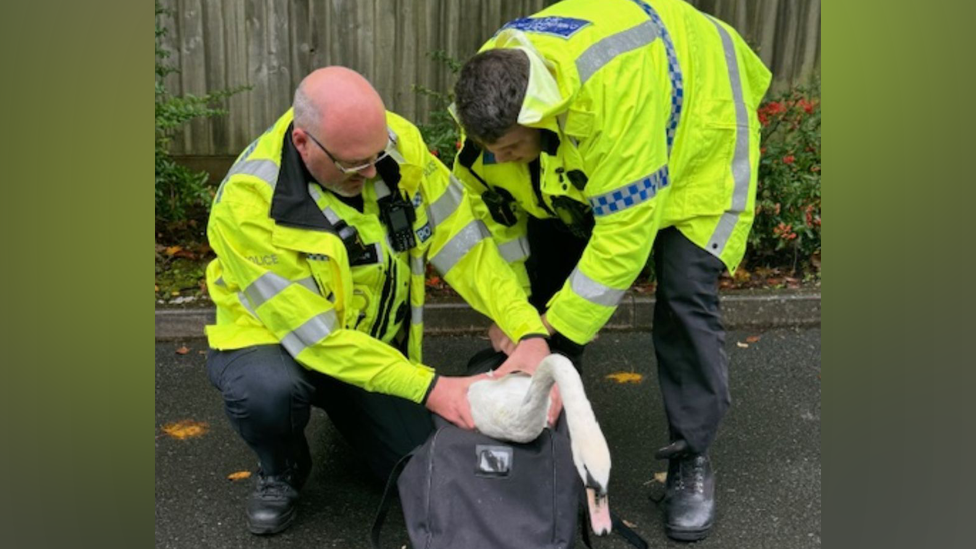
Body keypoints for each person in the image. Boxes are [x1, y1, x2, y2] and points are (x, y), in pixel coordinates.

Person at [450, 0, 771, 541]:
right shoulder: (492, 92)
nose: (499, 158)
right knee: (547, 249)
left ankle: (690, 459)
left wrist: (546, 329)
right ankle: (540, 407)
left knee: (684, 293)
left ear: (538, 117)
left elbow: (624, 238)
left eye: (508, 147)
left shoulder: (615, 104)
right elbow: (497, 211)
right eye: (491, 148)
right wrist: (522, 315)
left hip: (699, 129)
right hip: (593, 132)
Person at [204, 66, 551, 535]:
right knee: (268, 392)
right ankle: (280, 467)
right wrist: (433, 388)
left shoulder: (394, 143)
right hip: (280, 342)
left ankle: (356, 415)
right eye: (353, 165)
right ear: (304, 143)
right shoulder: (247, 206)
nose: (371, 172)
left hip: (367, 345)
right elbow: (319, 340)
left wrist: (526, 327)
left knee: (419, 464)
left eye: (376, 154)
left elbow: (465, 245)